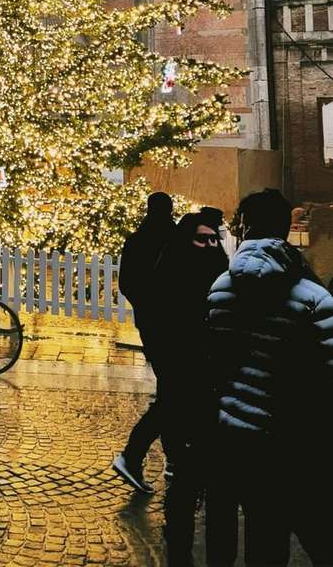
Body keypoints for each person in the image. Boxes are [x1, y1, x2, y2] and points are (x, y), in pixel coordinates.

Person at [206, 189, 333, 567]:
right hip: (293, 439)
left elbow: (215, 363)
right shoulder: (313, 297)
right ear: (285, 229)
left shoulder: (220, 288)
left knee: (259, 536)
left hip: (233, 432)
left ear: (244, 228)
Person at [152, 212, 229, 567]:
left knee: (216, 486)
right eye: (202, 239)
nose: (211, 245)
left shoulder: (225, 283)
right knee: (185, 481)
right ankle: (179, 546)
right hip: (183, 393)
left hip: (215, 398)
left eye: (214, 238)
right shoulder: (170, 278)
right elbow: (164, 340)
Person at [112, 192, 176, 493]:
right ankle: (135, 454)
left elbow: (127, 283)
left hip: (150, 324)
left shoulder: (137, 240)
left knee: (170, 389)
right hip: (175, 325)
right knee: (173, 392)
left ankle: (172, 456)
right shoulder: (175, 239)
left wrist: (144, 305)